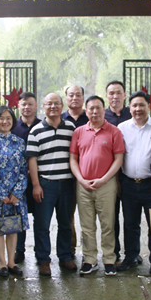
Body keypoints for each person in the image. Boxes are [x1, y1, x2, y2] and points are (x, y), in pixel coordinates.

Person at [70, 96, 125, 276]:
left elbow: (118, 159)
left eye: (98, 108)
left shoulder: (114, 131)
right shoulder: (79, 132)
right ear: (86, 111)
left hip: (106, 185)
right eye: (91, 109)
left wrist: (104, 179)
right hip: (83, 185)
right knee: (86, 225)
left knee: (108, 224)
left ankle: (109, 259)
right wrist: (81, 179)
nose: (94, 112)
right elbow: (73, 159)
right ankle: (89, 259)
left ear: (104, 110)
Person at [27, 93, 77, 277]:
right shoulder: (36, 131)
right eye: (49, 104)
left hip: (67, 184)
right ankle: (43, 260)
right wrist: (36, 185)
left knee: (65, 223)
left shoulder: (71, 128)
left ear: (62, 106)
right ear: (43, 106)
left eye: (56, 103)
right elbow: (32, 160)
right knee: (42, 224)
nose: (53, 107)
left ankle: (65, 256)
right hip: (45, 184)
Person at [117, 91, 151, 274]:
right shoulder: (122, 128)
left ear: (149, 107)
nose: (138, 109)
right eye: (134, 105)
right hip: (129, 183)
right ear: (130, 108)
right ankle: (131, 257)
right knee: (130, 223)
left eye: (141, 105)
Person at [0, 106, 29, 279]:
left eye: (8, 118)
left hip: (16, 195)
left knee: (13, 227)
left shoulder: (20, 143)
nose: (5, 121)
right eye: (1, 118)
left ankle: (11, 262)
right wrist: (1, 194)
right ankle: (2, 263)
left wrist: (17, 192)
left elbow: (24, 169)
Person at [11, 91, 41, 264]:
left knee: (40, 216)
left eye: (30, 104)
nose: (27, 107)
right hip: (17, 181)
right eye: (24, 104)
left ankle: (40, 250)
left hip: (37, 180)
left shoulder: (42, 126)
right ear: (18, 106)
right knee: (18, 216)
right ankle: (19, 250)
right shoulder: (13, 127)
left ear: (35, 106)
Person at [104, 80, 132, 264]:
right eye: (111, 93)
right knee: (111, 218)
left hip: (131, 174)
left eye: (118, 93)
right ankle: (113, 252)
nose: (115, 97)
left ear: (124, 95)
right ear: (107, 96)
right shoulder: (103, 116)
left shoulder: (133, 112)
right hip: (109, 175)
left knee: (131, 218)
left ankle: (132, 253)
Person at [61, 85, 88, 257]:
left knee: (88, 216)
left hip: (88, 174)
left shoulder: (90, 117)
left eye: (78, 95)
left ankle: (90, 252)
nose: (74, 98)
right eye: (71, 95)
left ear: (83, 98)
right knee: (67, 215)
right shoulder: (60, 119)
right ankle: (69, 250)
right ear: (66, 98)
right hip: (66, 175)